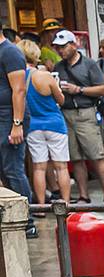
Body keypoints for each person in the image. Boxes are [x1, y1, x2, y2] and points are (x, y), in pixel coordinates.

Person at [52, 30, 104, 203]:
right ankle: (83, 195)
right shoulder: (58, 67)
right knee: (76, 158)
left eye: (64, 47)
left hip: (86, 113)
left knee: (96, 156)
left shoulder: (89, 64)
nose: (61, 51)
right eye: (58, 47)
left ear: (74, 45)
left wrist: (78, 89)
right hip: (66, 113)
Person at [19, 39, 70, 206]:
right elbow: (61, 100)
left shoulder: (17, 78)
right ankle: (66, 205)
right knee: (61, 167)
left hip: (33, 126)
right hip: (55, 124)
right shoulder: (44, 76)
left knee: (38, 168)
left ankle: (41, 206)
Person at [0, 27, 36, 236]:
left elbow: (19, 90)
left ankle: (26, 220)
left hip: (9, 117)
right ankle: (13, 217)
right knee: (5, 171)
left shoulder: (10, 52)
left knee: (13, 169)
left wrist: (17, 123)